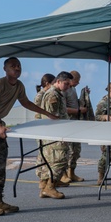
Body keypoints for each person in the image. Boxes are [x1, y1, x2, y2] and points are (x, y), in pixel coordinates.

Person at [0, 57, 58, 216]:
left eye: (19, 66)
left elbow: (26, 103)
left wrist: (48, 114)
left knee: (0, 162)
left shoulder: (18, 86)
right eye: (13, 66)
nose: (17, 68)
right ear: (5, 69)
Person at [36, 72, 73, 200]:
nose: (68, 86)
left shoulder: (58, 94)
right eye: (66, 83)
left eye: (69, 84)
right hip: (55, 133)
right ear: (58, 81)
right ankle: (50, 187)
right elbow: (52, 117)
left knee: (51, 162)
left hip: (56, 132)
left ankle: (45, 187)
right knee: (60, 160)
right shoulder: (53, 95)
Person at [60, 70, 86, 183]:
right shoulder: (64, 91)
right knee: (67, 151)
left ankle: (71, 172)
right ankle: (63, 174)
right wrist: (78, 111)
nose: (78, 83)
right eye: (77, 81)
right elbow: (63, 108)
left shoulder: (73, 89)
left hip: (75, 123)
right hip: (67, 124)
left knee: (76, 150)